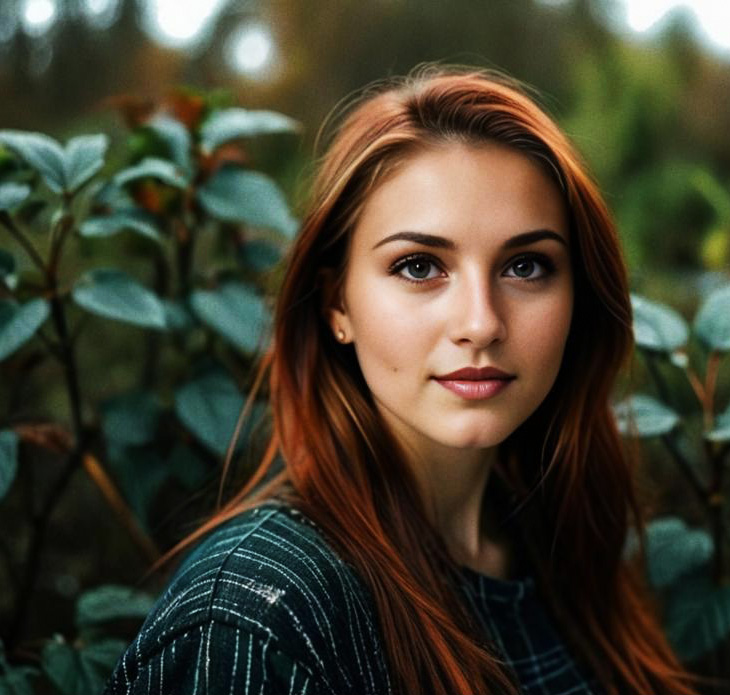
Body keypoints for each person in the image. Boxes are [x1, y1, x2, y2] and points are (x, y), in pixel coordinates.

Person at [104, 64, 697, 695]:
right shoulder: (256, 620)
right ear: (337, 305)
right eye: (419, 267)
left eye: (526, 265)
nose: (481, 323)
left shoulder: (561, 545)